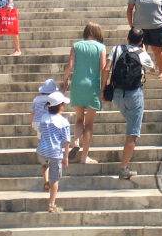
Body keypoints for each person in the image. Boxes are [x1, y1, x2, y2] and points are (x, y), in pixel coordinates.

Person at [102, 27, 154, 178]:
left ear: (127, 38)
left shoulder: (117, 48)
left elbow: (106, 68)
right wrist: (143, 52)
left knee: (130, 122)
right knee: (132, 134)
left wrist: (103, 89)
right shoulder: (142, 54)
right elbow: (153, 69)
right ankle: (123, 168)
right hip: (134, 95)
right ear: (141, 41)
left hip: (117, 94)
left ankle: (126, 157)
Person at [62, 22, 106, 164]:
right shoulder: (101, 48)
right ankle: (84, 157)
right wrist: (104, 87)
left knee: (80, 119)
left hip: (77, 85)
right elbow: (104, 68)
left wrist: (65, 78)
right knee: (89, 124)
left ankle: (76, 142)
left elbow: (70, 65)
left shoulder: (76, 46)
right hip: (93, 87)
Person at [36, 91, 71, 212]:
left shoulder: (44, 118)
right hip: (55, 152)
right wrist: (66, 157)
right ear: (60, 106)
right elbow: (66, 141)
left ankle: (46, 182)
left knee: (45, 164)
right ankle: (51, 204)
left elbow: (40, 132)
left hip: (42, 150)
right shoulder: (63, 122)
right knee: (55, 179)